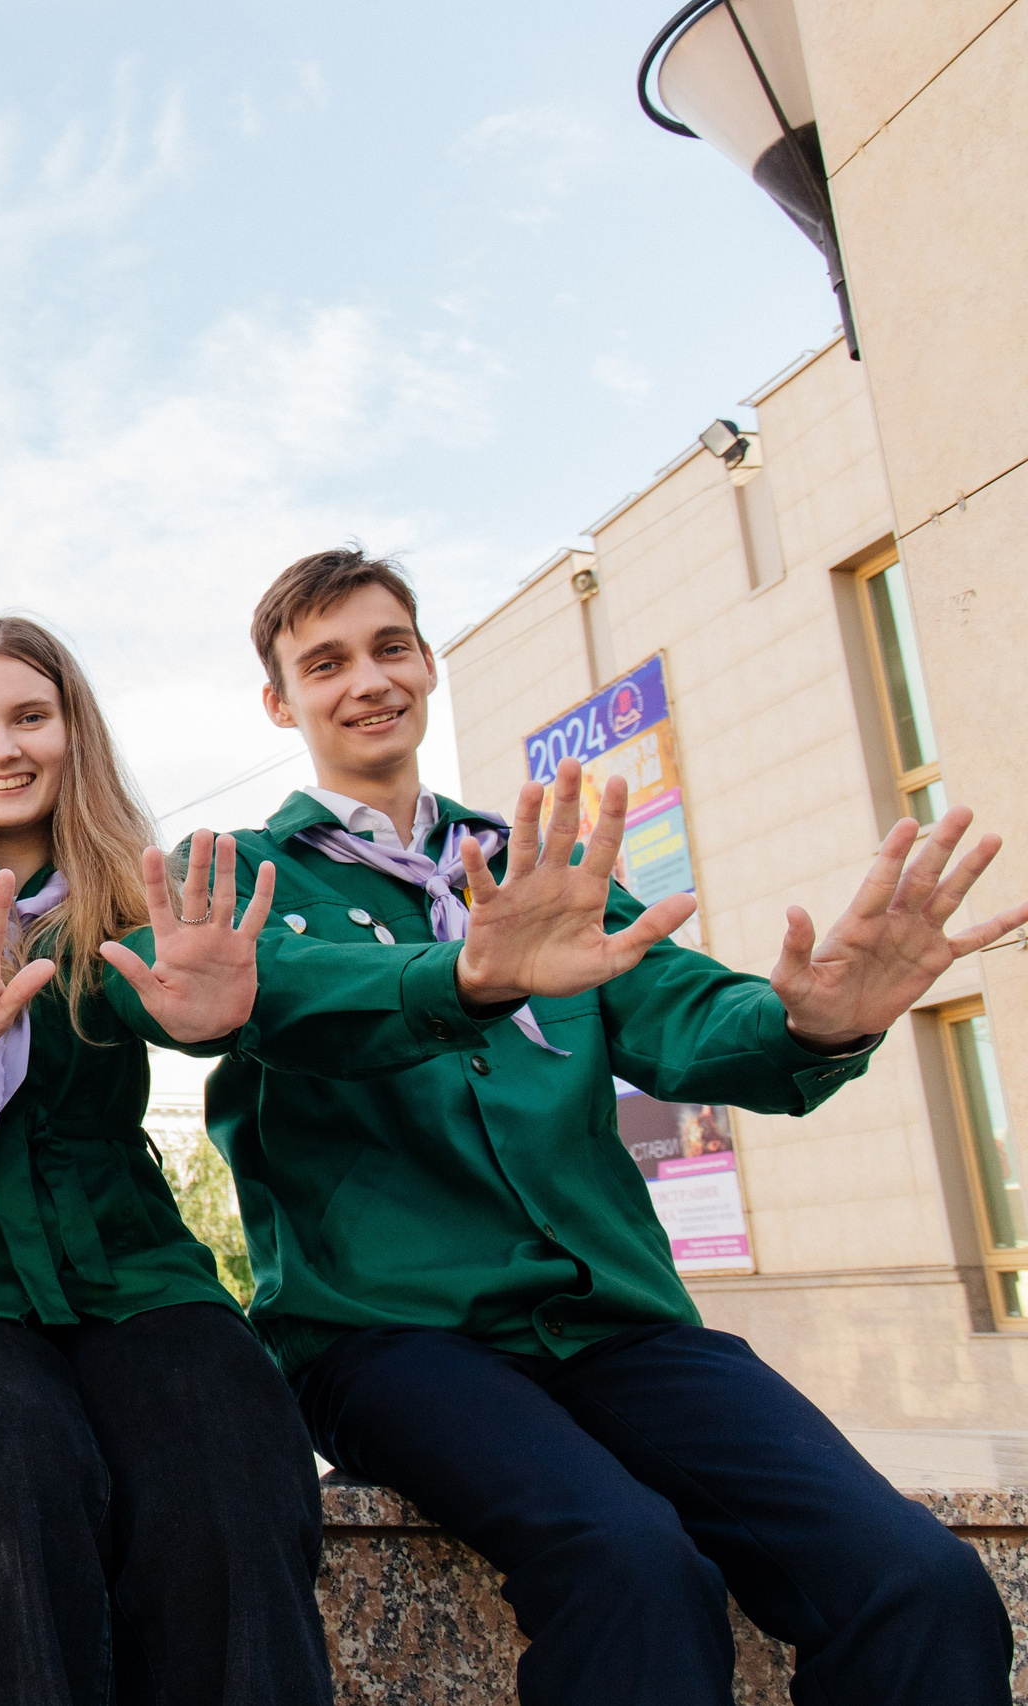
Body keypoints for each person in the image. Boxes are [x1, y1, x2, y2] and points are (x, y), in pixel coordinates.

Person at [205, 546, 1026, 1706]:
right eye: (324, 662)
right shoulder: (243, 878)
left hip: (614, 1321)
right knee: (631, 1563)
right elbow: (280, 999)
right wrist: (464, 975)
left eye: (391, 646)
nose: (367, 680)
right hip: (389, 1336)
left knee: (916, 1578)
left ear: (428, 663)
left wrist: (813, 1025)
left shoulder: (533, 866)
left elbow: (680, 1009)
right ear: (280, 702)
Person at [0, 614, 334, 1706]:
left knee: (231, 1464)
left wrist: (211, 1011)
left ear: (74, 729)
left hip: (128, 1260)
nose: (0, 747)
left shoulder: (133, 885)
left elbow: (192, 988)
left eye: (29, 715)